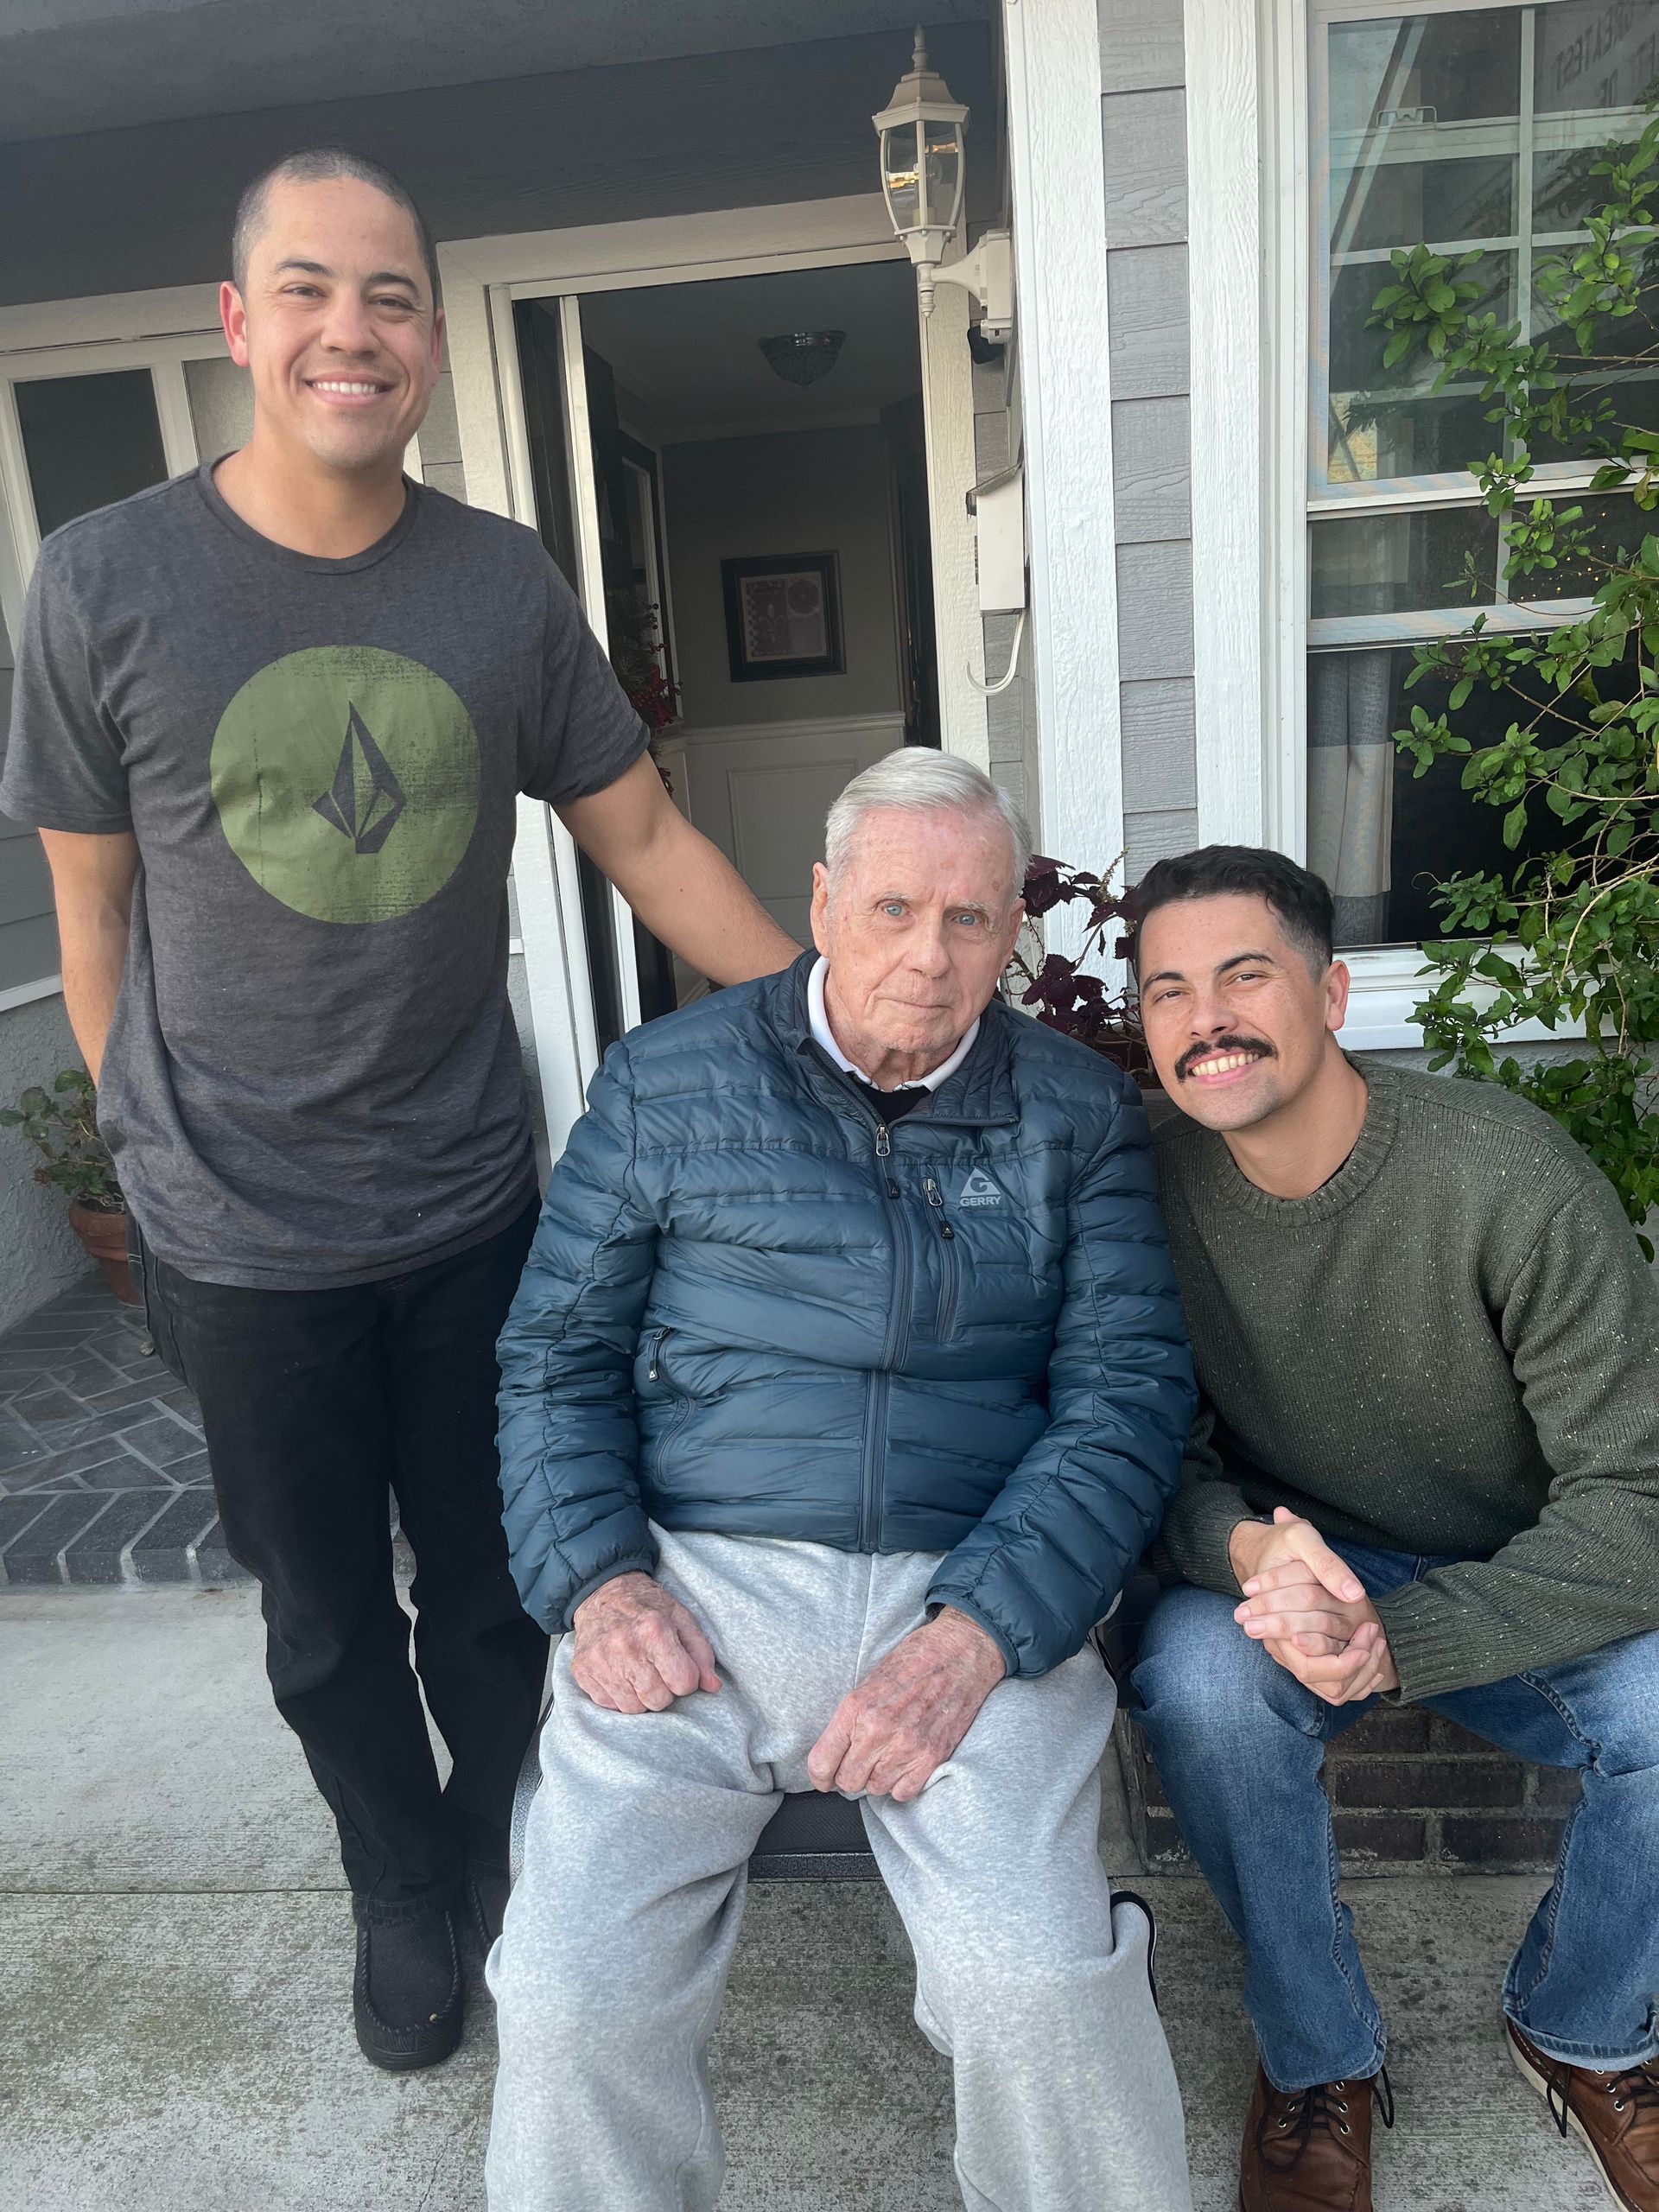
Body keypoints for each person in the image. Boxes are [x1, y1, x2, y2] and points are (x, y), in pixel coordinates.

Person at [0, 146, 798, 2073]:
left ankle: (504, 1844)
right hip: (233, 1237)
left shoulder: (497, 583)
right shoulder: (102, 580)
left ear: (430, 336)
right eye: (307, 287)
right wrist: (143, 1146)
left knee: (502, 1595)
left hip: (469, 1214)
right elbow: (90, 911)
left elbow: (646, 838)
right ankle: (399, 1877)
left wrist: (832, 1025)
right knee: (325, 1618)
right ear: (238, 321)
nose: (347, 330)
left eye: (388, 295)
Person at [486, 748, 1198, 2211]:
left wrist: (982, 1631)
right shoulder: (668, 1083)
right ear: (820, 905)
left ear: (1012, 933)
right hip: (693, 1592)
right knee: (568, 1990)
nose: (930, 957)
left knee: (1035, 1986)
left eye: (970, 918)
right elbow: (554, 1357)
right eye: (892, 910)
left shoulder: (1074, 1111)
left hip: (973, 1591)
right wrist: (600, 1585)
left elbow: (1126, 1399)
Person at [1124, 844, 1659, 2212]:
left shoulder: (1503, 1173)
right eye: (1168, 990)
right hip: (1290, 1565)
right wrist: (1246, 1548)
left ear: (1332, 994)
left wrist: (1401, 1638)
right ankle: (1319, 2061)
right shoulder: (1144, 1196)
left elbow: (1639, 1495)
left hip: (1513, 1568)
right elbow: (1144, 1457)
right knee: (1199, 1685)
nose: (1206, 1019)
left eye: (1245, 976)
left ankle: (1586, 2026)